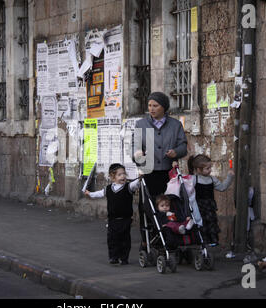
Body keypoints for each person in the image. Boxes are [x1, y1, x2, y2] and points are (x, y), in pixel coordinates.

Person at [134, 91, 188, 250]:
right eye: (149, 105)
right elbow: (135, 146)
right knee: (147, 206)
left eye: (155, 106)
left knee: (168, 206)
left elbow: (183, 146)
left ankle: (168, 237)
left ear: (163, 107)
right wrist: (138, 155)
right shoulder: (141, 125)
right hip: (148, 171)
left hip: (167, 172)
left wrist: (176, 152)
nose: (151, 109)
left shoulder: (175, 125)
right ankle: (147, 240)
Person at [84, 163, 141, 265]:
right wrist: (90, 194)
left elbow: (136, 183)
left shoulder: (128, 187)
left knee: (125, 240)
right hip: (112, 220)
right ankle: (114, 257)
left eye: (124, 174)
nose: (123, 176)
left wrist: (140, 178)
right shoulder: (109, 189)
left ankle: (124, 258)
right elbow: (99, 193)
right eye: (119, 175)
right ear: (112, 177)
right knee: (112, 239)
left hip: (125, 219)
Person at [188, 155, 234, 246]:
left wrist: (229, 177)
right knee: (201, 225)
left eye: (210, 168)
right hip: (198, 208)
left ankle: (212, 243)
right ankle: (202, 243)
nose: (210, 170)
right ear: (198, 169)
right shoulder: (193, 179)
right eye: (207, 168)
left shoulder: (212, 179)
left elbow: (222, 187)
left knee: (211, 224)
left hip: (210, 208)